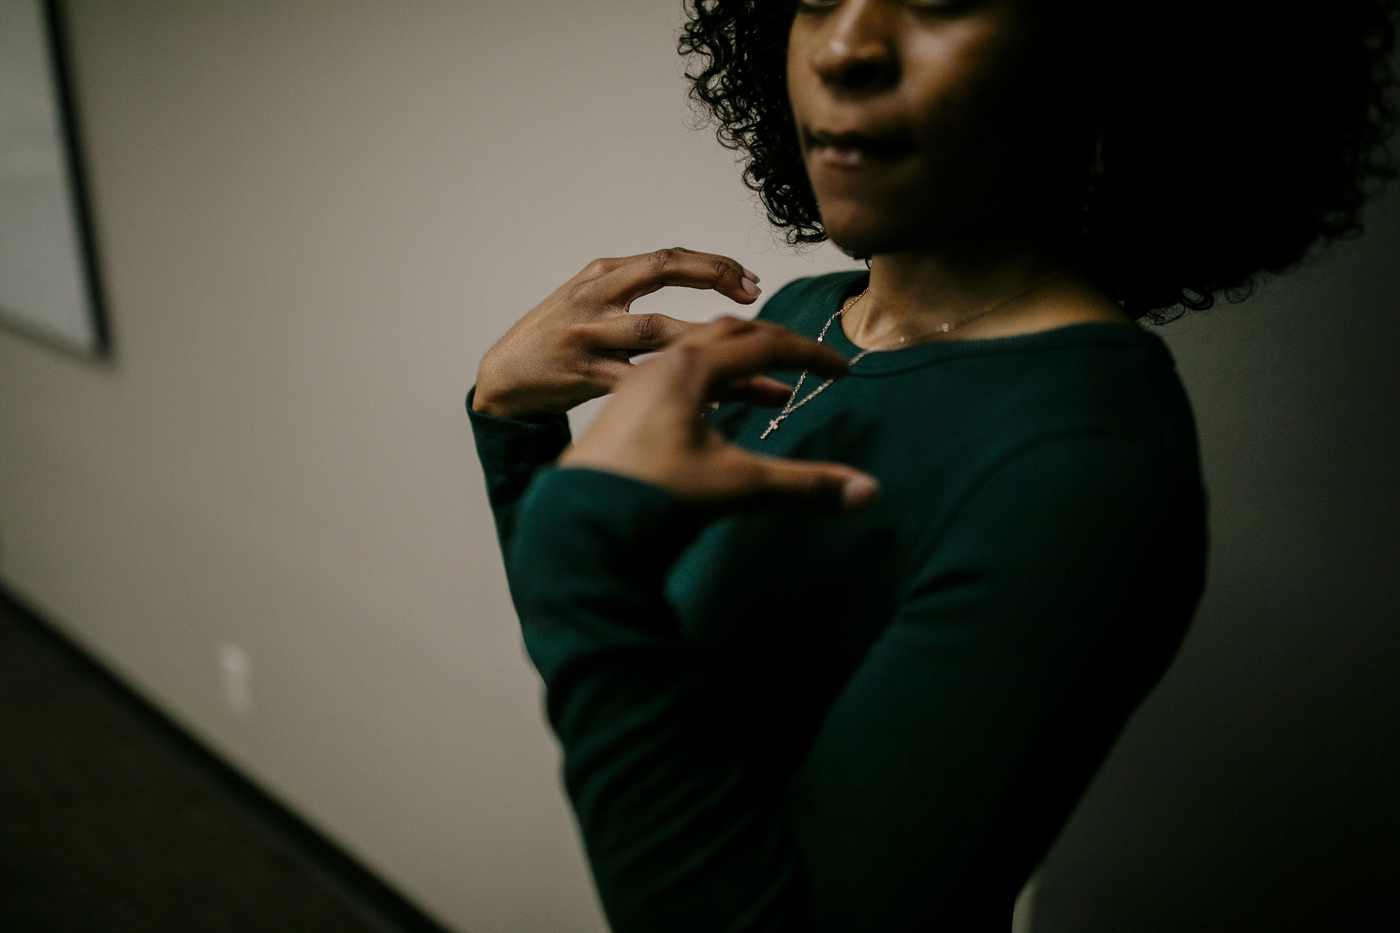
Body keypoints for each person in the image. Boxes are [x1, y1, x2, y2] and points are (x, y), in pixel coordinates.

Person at [467, 1, 1398, 930]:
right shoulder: (803, 313)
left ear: (1104, 52)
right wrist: (515, 425)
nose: (844, 45)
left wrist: (576, 537)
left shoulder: (1083, 461)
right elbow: (614, 672)